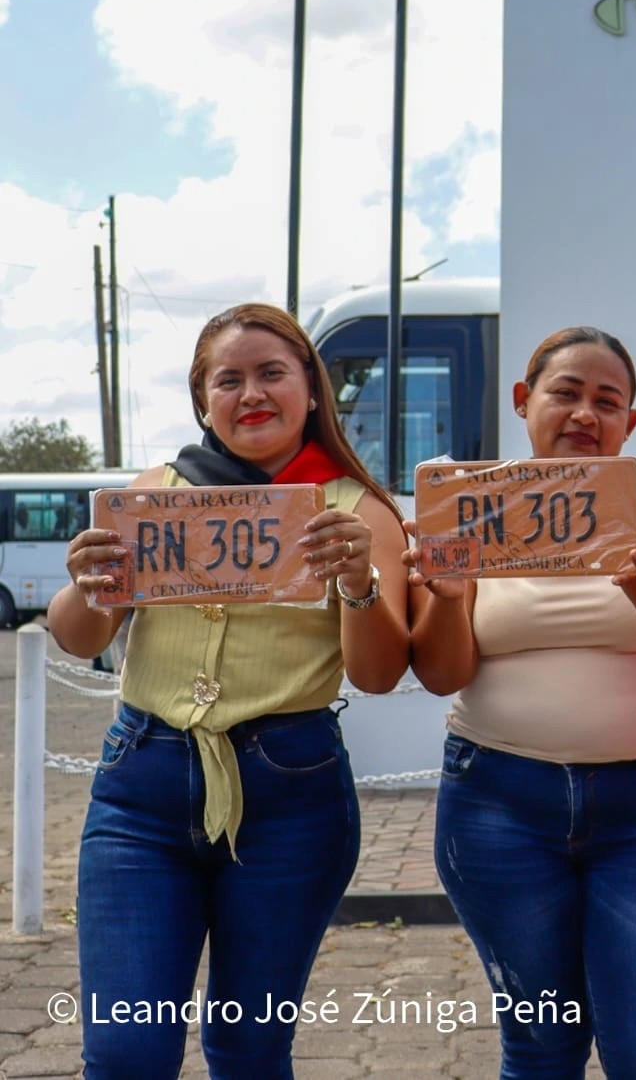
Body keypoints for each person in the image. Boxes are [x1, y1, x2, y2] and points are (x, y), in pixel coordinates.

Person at [48, 303, 410, 1080]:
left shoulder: (357, 510)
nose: (251, 392)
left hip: (291, 798)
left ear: (311, 390)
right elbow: (77, 637)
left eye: (272, 372)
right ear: (202, 400)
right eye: (229, 379)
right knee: (124, 1051)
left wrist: (359, 583)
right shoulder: (155, 492)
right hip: (141, 790)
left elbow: (379, 674)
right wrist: (87, 586)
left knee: (248, 1049)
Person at [408, 326, 636, 1080]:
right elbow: (439, 670)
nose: (586, 413)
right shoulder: (470, 507)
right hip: (497, 807)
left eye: (607, 401)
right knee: (540, 1049)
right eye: (566, 392)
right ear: (524, 401)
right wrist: (448, 596)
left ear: (631, 424)